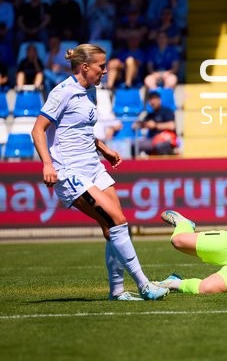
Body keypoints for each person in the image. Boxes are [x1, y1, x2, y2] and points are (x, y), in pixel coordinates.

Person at [30, 43, 168, 301]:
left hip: (93, 166)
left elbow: (79, 130)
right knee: (118, 220)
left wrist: (103, 148)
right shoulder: (63, 92)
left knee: (114, 227)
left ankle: (117, 292)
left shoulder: (91, 91)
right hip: (70, 171)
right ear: (85, 67)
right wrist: (47, 164)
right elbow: (38, 129)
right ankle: (144, 285)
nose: (105, 71)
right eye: (101, 66)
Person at [135, 90, 177, 156]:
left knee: (159, 146)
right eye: (151, 99)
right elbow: (140, 124)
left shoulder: (167, 111)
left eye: (155, 99)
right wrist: (142, 124)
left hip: (165, 140)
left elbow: (172, 126)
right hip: (152, 140)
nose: (153, 102)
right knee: (135, 145)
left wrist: (155, 125)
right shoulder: (150, 114)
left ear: (159, 100)